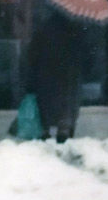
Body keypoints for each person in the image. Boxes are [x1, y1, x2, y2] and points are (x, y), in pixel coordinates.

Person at [27, 12, 85, 142]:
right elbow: (82, 53)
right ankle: (64, 132)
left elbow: (33, 54)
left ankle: (46, 131)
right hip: (67, 74)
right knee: (67, 106)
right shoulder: (74, 30)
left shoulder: (43, 29)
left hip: (47, 73)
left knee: (47, 105)